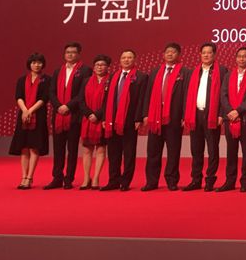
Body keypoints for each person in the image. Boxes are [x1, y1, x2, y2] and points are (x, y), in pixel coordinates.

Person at [142, 42, 189, 191]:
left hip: (174, 117)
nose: (170, 54)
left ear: (178, 55)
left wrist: (184, 115)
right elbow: (148, 94)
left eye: (173, 52)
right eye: (167, 52)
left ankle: (171, 180)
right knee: (153, 151)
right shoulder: (155, 71)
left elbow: (187, 96)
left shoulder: (185, 72)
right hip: (155, 116)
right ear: (163, 54)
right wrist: (145, 114)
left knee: (173, 151)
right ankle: (151, 181)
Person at [45, 42, 91, 190]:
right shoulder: (58, 71)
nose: (70, 54)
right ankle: (57, 177)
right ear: (64, 55)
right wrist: (59, 106)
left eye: (73, 52)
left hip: (74, 115)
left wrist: (68, 106)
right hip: (58, 115)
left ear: (79, 54)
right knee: (58, 149)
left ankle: (69, 178)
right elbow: (51, 92)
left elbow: (82, 93)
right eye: (67, 52)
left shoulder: (85, 70)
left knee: (72, 149)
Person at [182, 42, 227, 192]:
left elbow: (224, 94)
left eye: (209, 52)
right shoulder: (193, 72)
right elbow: (187, 95)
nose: (206, 55)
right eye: (204, 53)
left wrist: (221, 114)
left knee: (212, 149)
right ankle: (196, 179)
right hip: (195, 114)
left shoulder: (221, 71)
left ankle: (210, 180)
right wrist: (186, 114)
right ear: (200, 55)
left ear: (214, 55)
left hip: (212, 115)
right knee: (196, 150)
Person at [102, 49, 148, 191]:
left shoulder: (141, 77)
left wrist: (138, 118)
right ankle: (113, 180)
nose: (126, 60)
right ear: (120, 60)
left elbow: (142, 99)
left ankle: (125, 181)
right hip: (112, 119)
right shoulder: (113, 76)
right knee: (113, 153)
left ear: (134, 60)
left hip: (130, 119)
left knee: (128, 153)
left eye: (129, 57)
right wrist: (104, 118)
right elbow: (106, 99)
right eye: (124, 58)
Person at [218, 46, 246, 192]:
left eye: (245, 56)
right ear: (236, 58)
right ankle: (230, 181)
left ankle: (245, 182)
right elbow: (223, 95)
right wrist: (230, 111)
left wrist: (238, 111)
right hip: (230, 118)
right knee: (231, 151)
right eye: (239, 56)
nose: (241, 59)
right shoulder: (228, 75)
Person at [10, 53, 50, 190]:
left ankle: (29, 177)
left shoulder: (46, 80)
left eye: (39, 62)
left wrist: (30, 110)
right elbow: (18, 96)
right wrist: (25, 110)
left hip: (38, 116)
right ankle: (23, 176)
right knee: (24, 147)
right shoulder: (22, 80)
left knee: (34, 147)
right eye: (34, 62)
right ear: (29, 64)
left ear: (43, 64)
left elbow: (44, 98)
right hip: (23, 116)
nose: (36, 65)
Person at [79, 54, 111, 190]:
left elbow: (109, 101)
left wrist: (97, 115)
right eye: (97, 65)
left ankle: (96, 177)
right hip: (87, 119)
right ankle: (86, 177)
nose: (99, 67)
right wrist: (88, 114)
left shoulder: (111, 81)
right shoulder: (86, 81)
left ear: (107, 67)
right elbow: (80, 100)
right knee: (87, 149)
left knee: (101, 149)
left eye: (102, 65)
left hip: (102, 119)